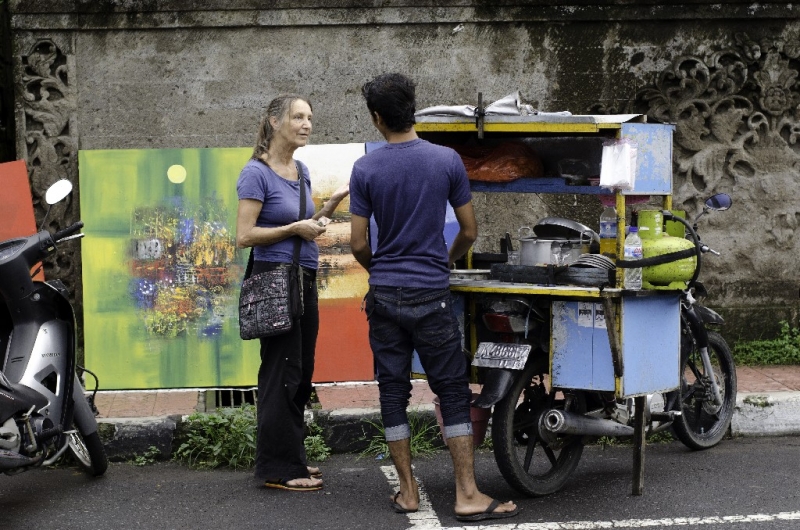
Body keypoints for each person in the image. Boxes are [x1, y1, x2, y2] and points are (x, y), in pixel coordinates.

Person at [349, 73, 520, 522]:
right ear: (412, 109)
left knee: (392, 391)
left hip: (384, 294)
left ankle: (407, 492)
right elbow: (468, 231)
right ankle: (466, 493)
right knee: (450, 391)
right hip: (430, 292)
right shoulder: (445, 161)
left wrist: (382, 272)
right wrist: (443, 261)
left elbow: (358, 245)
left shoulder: (366, 168)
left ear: (378, 118)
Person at [236, 94, 349, 492]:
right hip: (274, 278)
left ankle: (292, 457)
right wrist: (293, 230)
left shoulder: (299, 169)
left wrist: (331, 205)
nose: (306, 124)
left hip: (303, 277)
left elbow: (309, 222)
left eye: (310, 118)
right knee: (281, 371)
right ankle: (277, 467)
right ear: (273, 121)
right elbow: (244, 235)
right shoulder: (257, 172)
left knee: (300, 373)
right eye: (298, 117)